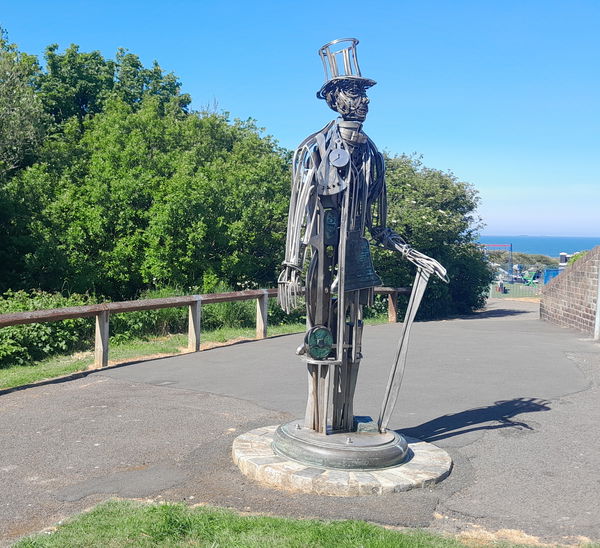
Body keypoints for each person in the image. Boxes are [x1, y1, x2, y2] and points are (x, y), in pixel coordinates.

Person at [278, 39, 447, 434]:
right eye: (354, 93)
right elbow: (298, 210)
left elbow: (379, 226)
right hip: (321, 261)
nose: (364, 101)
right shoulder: (312, 149)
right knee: (319, 338)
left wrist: (412, 253)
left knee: (353, 339)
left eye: (364, 93)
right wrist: (291, 265)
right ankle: (316, 420)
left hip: (356, 261)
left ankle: (345, 417)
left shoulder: (372, 156)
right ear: (335, 99)